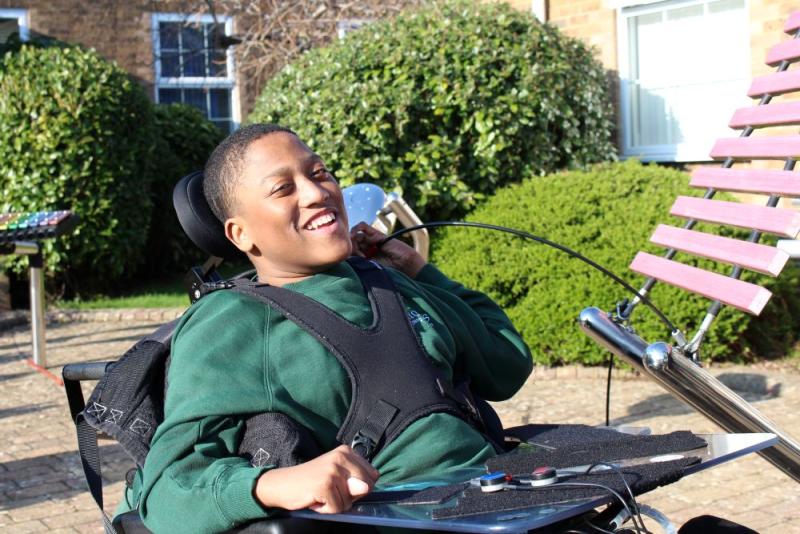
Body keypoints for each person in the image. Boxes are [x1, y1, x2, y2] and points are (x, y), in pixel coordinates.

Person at [128, 124, 533, 533]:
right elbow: (168, 491)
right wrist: (273, 485)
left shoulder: (387, 281)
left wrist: (418, 269)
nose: (316, 193)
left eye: (319, 173)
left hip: (505, 503)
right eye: (283, 189)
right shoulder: (232, 320)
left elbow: (507, 363)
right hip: (399, 521)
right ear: (241, 233)